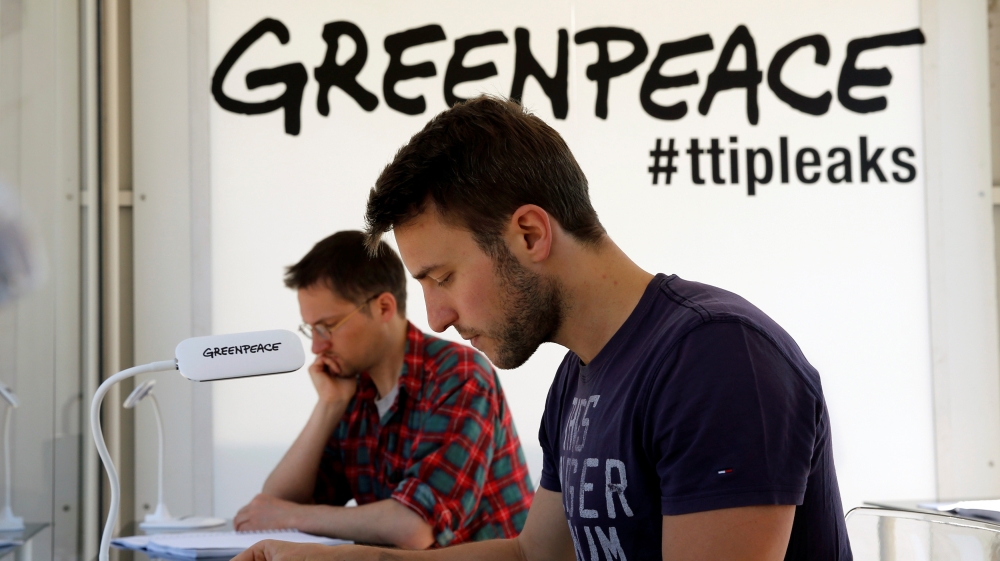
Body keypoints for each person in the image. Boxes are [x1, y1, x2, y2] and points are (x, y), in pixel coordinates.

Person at [234, 98, 851, 561]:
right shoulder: (577, 378)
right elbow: (535, 555)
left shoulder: (716, 358)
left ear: (529, 234)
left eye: (443, 277)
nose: (437, 317)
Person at [232, 230, 533, 549]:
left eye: (327, 327)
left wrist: (292, 517)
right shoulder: (352, 388)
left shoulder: (459, 375)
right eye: (311, 330)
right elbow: (275, 504)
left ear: (384, 307)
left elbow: (415, 527)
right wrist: (328, 406)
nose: (317, 347)